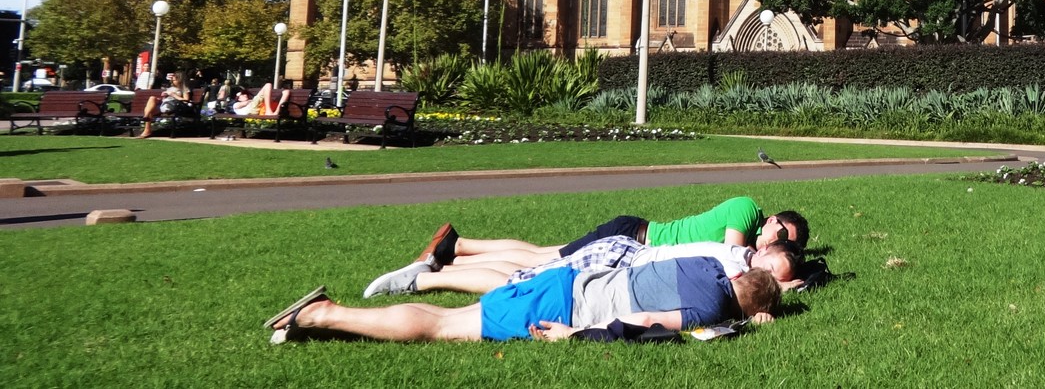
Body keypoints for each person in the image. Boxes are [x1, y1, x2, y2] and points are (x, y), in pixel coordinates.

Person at [266, 253, 781, 345]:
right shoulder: (710, 312)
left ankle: (325, 318)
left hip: (563, 282)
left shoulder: (708, 265)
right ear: (754, 307)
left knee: (452, 315)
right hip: (564, 311)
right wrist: (576, 335)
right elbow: (645, 320)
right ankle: (324, 316)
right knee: (443, 327)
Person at [414, 196, 808, 274]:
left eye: (784, 244)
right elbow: (730, 262)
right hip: (634, 237)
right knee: (543, 261)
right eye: (781, 234)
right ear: (772, 219)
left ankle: (458, 249)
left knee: (544, 254)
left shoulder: (755, 234)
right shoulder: (747, 209)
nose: (776, 244)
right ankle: (455, 249)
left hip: (634, 242)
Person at [365, 237, 801, 299]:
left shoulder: (733, 253)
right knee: (525, 281)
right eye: (770, 266)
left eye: (774, 276)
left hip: (623, 257)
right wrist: (783, 288)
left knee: (533, 270)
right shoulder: (732, 261)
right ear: (763, 252)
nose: (767, 276)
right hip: (619, 261)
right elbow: (743, 293)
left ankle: (438, 271)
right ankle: (425, 277)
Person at [137, 73, 192, 138]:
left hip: (173, 106)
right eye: (172, 80)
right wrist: (164, 96)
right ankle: (146, 117)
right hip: (164, 104)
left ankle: (147, 130)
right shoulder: (170, 88)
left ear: (180, 80)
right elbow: (165, 99)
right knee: (152, 98)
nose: (172, 81)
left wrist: (173, 95)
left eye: (174, 80)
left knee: (150, 111)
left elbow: (186, 100)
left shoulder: (184, 89)